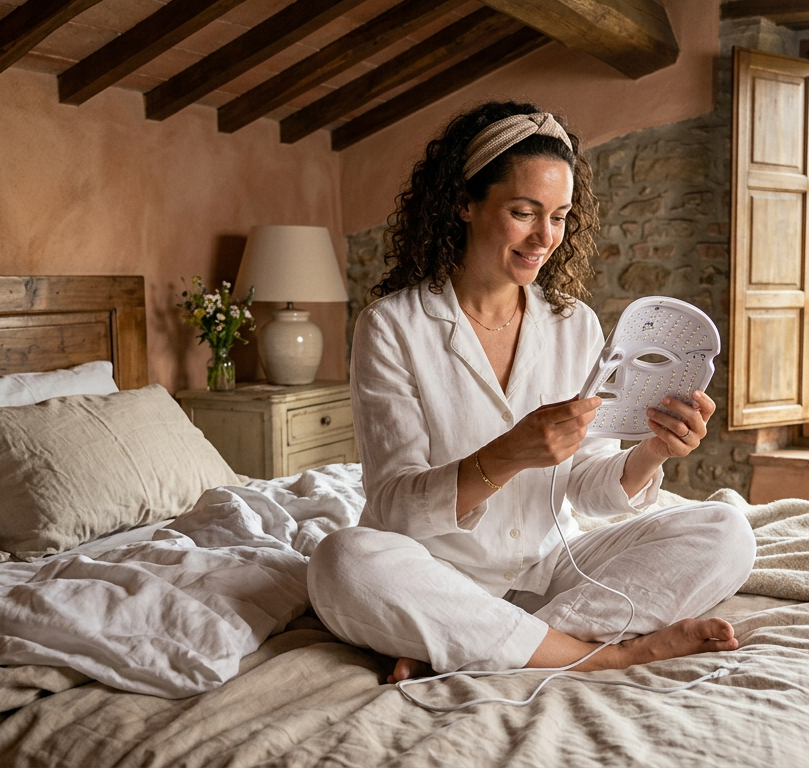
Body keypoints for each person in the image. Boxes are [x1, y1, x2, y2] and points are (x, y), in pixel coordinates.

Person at [307, 101, 756, 686]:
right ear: (464, 203)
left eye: (561, 216)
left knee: (727, 532)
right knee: (342, 562)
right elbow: (394, 506)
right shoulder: (393, 326)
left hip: (550, 567)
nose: (545, 238)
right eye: (523, 212)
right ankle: (606, 654)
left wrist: (652, 453)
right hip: (432, 567)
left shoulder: (576, 325)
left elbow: (589, 490)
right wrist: (509, 454)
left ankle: (474, 638)